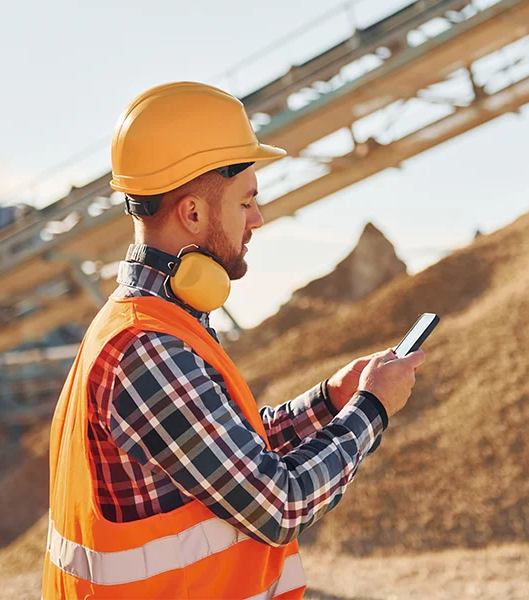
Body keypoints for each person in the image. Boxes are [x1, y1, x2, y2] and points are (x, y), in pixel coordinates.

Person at [42, 82, 426, 600]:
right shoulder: (147, 351)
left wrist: (330, 401)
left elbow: (230, 453)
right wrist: (372, 409)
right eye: (246, 201)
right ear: (193, 213)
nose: (258, 219)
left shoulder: (157, 324)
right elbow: (279, 504)